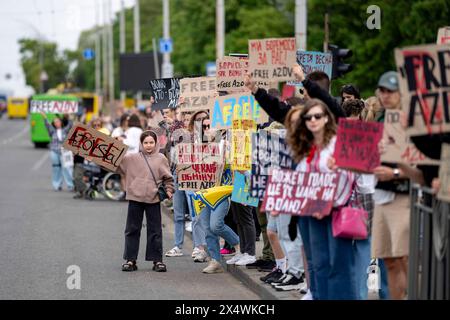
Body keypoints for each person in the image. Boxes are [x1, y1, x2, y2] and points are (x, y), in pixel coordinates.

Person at [287, 98, 358, 300]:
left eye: (317, 116)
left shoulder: (338, 142)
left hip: (335, 212)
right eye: (308, 117)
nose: (313, 120)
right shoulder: (303, 146)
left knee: (340, 265)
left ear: (327, 118)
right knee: (318, 264)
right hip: (310, 213)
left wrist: (339, 167)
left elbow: (353, 176)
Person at [372, 71, 425, 299]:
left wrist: (394, 172)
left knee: (405, 257)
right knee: (389, 259)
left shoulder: (413, 121)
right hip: (381, 195)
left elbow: (423, 164)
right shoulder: (380, 120)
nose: (385, 95)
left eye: (390, 91)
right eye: (382, 91)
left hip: (405, 197)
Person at [118, 130, 174, 272]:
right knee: (132, 229)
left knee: (155, 230)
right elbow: (113, 165)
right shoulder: (131, 158)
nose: (148, 145)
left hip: (153, 198)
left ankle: (157, 261)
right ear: (141, 143)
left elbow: (168, 178)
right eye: (146, 142)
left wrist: (169, 190)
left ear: (156, 143)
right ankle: (130, 260)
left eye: (151, 142)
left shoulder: (161, 158)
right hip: (134, 198)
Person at [41, 112, 74, 191]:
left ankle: (70, 185)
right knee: (56, 168)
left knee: (66, 168)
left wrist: (69, 116)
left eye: (58, 121)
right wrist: (44, 117)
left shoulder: (65, 130)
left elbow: (70, 124)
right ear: (54, 124)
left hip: (64, 151)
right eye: (55, 122)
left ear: (61, 122)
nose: (57, 123)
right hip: (54, 151)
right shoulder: (52, 131)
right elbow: (47, 125)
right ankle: (57, 185)